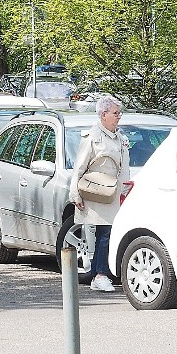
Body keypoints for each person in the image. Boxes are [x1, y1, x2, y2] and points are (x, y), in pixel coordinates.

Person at [69, 95, 129, 292]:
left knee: (107, 232)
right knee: (106, 233)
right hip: (95, 191)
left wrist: (126, 190)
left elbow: (124, 170)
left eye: (119, 113)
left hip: (113, 192)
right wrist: (75, 194)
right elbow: (79, 167)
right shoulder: (92, 137)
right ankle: (101, 275)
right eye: (115, 113)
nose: (118, 116)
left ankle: (98, 275)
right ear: (103, 115)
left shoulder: (121, 138)